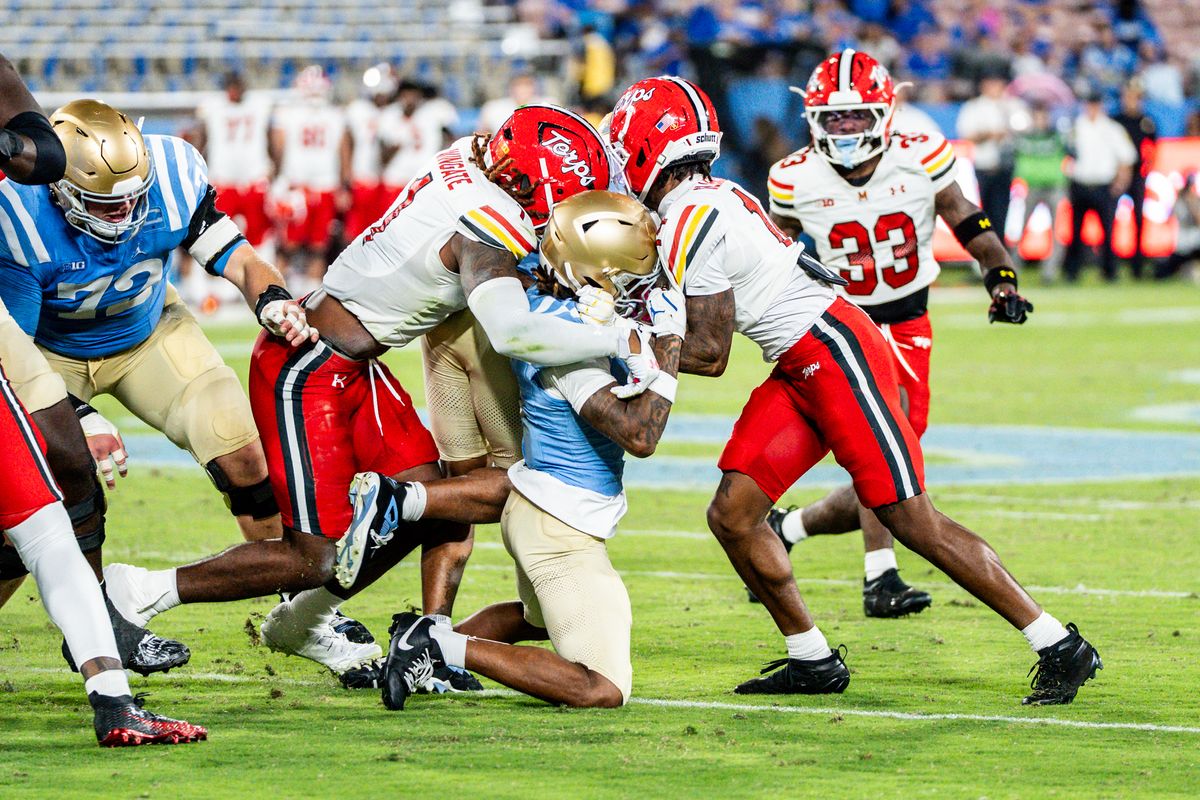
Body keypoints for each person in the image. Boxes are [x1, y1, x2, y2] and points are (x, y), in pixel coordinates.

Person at [101, 106, 656, 687]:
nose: (556, 212)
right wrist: (621, 335)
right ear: (525, 182)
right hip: (309, 365)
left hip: (355, 363)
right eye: (557, 196)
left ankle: (325, 627)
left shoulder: (467, 159)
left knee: (433, 501)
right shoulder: (488, 224)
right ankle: (143, 590)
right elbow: (511, 329)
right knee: (311, 555)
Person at [608, 73, 1100, 705]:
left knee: (911, 518)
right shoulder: (702, 202)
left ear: (645, 146)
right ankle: (812, 659)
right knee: (733, 514)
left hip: (835, 350)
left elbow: (708, 352)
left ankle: (1058, 644)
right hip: (800, 361)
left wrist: (614, 336)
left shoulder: (693, 216)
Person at [373, 190, 682, 710]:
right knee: (603, 686)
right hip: (560, 524)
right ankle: (435, 644)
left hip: (538, 506)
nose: (640, 287)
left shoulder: (553, 308)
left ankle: (426, 646)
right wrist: (669, 344)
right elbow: (640, 436)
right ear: (594, 272)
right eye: (631, 275)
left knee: (534, 619)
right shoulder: (575, 345)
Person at [764, 49, 1035, 617]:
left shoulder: (921, 156)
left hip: (910, 320)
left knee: (896, 462)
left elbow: (969, 221)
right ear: (812, 118)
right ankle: (880, 576)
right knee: (885, 452)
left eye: (856, 116)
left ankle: (787, 528)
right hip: (844, 323)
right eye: (834, 118)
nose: (845, 129)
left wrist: (1002, 279)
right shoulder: (792, 177)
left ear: (885, 114)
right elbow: (773, 252)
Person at [269, 65, 348, 284]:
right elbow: (344, 152)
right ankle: (299, 290)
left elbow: (277, 148)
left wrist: (276, 178)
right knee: (310, 246)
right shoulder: (335, 115)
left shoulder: (287, 113)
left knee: (299, 246)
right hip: (315, 185)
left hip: (303, 185)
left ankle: (277, 290)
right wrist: (344, 185)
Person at [1061, 88, 1136, 282]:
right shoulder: (1075, 127)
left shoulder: (1112, 128)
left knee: (1108, 231)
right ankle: (1072, 272)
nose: (1092, 108)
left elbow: (1126, 158)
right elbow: (1065, 156)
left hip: (1104, 185)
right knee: (1076, 231)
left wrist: (1120, 183)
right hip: (1080, 183)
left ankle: (1110, 271)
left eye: (1095, 104)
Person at [957, 70, 1023, 243]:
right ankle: (985, 246)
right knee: (984, 211)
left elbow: (1024, 127)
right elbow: (967, 134)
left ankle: (1000, 246)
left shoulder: (1011, 105)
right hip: (984, 166)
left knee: (1002, 211)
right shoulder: (974, 107)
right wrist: (989, 135)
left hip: (1005, 165)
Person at [1013, 103, 1068, 281]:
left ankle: (1050, 271)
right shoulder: (1023, 138)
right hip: (1031, 186)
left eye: (1043, 117)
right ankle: (1013, 266)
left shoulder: (1057, 136)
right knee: (1020, 229)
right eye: (1037, 116)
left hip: (1054, 186)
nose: (1040, 121)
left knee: (1057, 230)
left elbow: (1072, 151)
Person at [342, 64, 397, 242]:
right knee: (355, 231)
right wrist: (346, 175)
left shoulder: (395, 112)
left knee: (384, 232)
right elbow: (347, 143)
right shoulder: (358, 109)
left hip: (389, 181)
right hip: (362, 177)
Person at [1112, 79, 1157, 279]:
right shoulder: (1116, 120)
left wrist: (1147, 169)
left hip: (1138, 175)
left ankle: (1137, 265)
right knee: (1110, 220)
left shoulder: (1146, 121)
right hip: (1117, 175)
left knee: (1138, 219)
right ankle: (1110, 264)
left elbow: (1153, 148)